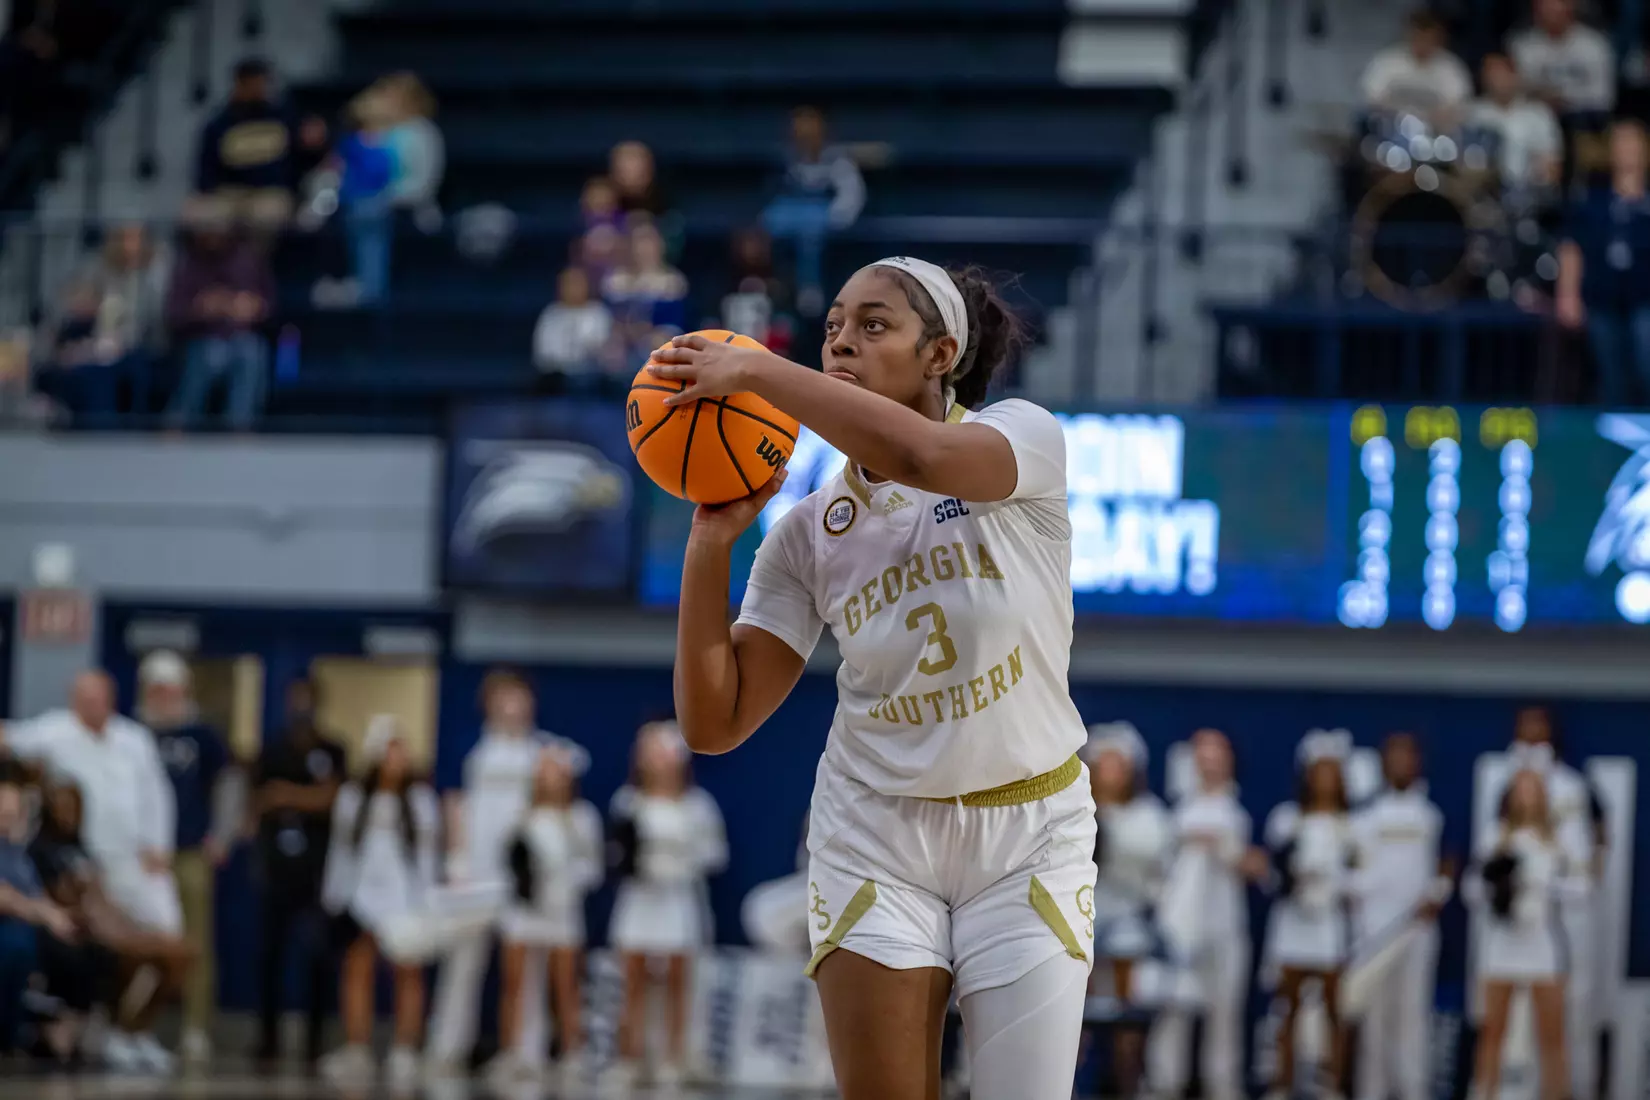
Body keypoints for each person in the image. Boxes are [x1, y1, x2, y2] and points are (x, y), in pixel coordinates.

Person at [652, 253, 1096, 1100]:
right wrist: (711, 543)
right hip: (875, 834)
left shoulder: (1021, 438)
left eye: (873, 325)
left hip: (1029, 833)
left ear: (940, 357)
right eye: (832, 330)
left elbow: (925, 458)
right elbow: (715, 725)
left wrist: (755, 368)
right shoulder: (808, 530)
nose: (841, 343)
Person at [0, 670, 185, 1070]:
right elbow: (9, 738)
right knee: (118, 951)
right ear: (73, 700)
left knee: (173, 948)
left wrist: (159, 844)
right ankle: (111, 1031)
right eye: (85, 698)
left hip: (136, 862)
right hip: (85, 865)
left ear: (112, 697)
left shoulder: (134, 738)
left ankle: (135, 1031)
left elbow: (157, 793)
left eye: (99, 698)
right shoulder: (54, 731)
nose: (92, 706)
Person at [427, 669, 581, 1074]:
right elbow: (454, 804)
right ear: (489, 702)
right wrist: (455, 859)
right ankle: (447, 1048)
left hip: (523, 877)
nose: (513, 706)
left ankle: (525, 1053)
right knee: (464, 962)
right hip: (475, 871)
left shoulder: (545, 750)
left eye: (520, 697)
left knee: (525, 968)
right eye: (504, 697)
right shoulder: (470, 746)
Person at [29, 778, 193, 1074]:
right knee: (136, 955)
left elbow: (101, 896)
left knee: (182, 954)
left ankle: (135, 1031)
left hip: (111, 924)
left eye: (74, 807)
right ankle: (117, 1032)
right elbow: (65, 900)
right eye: (61, 806)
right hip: (81, 931)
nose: (67, 813)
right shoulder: (42, 850)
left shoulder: (82, 848)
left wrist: (126, 924)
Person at [604, 721, 727, 1090]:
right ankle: (630, 1057)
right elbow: (616, 851)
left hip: (678, 900)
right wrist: (637, 865)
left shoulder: (698, 806)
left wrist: (680, 865)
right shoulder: (627, 801)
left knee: (678, 979)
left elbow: (715, 854)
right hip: (639, 898)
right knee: (633, 979)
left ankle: (675, 1057)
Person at [318, 717, 437, 1087]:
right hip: (360, 896)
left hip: (404, 897)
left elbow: (428, 856)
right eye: (389, 749)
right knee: (357, 970)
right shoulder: (353, 799)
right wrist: (335, 896)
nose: (396, 757)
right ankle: (357, 1048)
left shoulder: (420, 801)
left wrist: (427, 900)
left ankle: (404, 1050)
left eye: (401, 748)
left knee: (407, 972)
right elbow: (340, 851)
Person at [1149, 729, 1268, 1100]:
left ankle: (1224, 1087)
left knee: (1225, 1013)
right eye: (1203, 752)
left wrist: (1230, 851)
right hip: (1180, 930)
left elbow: (1260, 866)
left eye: (1217, 752)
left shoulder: (1242, 809)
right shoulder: (1177, 810)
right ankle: (1163, 1084)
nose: (1210, 760)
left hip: (1226, 926)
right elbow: (1160, 871)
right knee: (1172, 1011)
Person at [136, 649, 239, 1065]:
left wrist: (222, 837)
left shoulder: (203, 736)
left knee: (196, 943)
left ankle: (196, 1028)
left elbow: (229, 786)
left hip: (190, 850)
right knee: (141, 941)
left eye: (171, 688)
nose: (165, 697)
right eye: (157, 689)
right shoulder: (133, 734)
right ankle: (135, 1026)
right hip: (143, 858)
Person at [1500, 704, 1607, 1100]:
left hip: (1569, 910)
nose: (1533, 732)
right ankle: (1519, 1090)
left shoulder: (1575, 785)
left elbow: (1598, 835)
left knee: (1574, 1008)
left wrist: (1576, 880)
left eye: (1539, 725)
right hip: (1522, 916)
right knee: (1518, 1013)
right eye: (1525, 725)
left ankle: (1572, 1089)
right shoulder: (1506, 781)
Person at [250, 678, 347, 1068]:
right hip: (276, 868)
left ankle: (315, 1041)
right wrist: (305, 797)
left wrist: (289, 796)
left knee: (318, 957)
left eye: (308, 699)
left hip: (317, 871)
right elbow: (259, 798)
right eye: (295, 699)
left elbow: (334, 798)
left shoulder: (332, 749)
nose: (301, 706)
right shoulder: (272, 749)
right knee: (269, 957)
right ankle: (268, 1039)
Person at [1350, 732, 1450, 1100]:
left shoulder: (1431, 815)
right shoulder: (1364, 818)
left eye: (1409, 756)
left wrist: (1438, 893)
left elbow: (1445, 867)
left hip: (1417, 933)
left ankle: (1413, 1090)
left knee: (1412, 1017)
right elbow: (1353, 873)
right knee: (1374, 1021)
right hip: (1373, 934)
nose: (1402, 763)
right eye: (1395, 755)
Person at [496, 742, 602, 1086]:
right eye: (544, 770)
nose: (550, 777)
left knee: (566, 983)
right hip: (524, 908)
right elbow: (507, 857)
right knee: (514, 982)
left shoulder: (582, 817)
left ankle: (572, 1053)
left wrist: (566, 885)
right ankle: (514, 1054)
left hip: (563, 909)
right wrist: (524, 882)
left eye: (556, 770)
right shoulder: (520, 812)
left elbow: (593, 867)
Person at [1469, 769, 1575, 1100]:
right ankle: (1486, 1093)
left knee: (1552, 1035)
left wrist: (1545, 884)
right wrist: (1498, 883)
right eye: (1520, 789)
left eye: (1533, 789)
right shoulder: (1495, 836)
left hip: (1542, 942)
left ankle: (1555, 1094)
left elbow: (1582, 888)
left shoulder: (1558, 838)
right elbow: (1470, 890)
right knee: (1493, 1031)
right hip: (1503, 943)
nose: (1526, 796)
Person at [1262, 739, 1357, 1100]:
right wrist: (1297, 875)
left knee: (1334, 1009)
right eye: (1319, 773)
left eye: (1332, 773)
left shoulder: (1350, 824)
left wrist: (1335, 884)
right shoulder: (1287, 819)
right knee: (1288, 1007)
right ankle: (1282, 1083)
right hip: (1292, 922)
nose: (1325, 781)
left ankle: (1331, 1083)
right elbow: (1274, 872)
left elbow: (1360, 874)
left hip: (1329, 925)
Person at [1081, 723, 1170, 1099]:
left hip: (1127, 924)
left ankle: (1128, 1086)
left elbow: (1152, 868)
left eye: (1117, 764)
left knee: (1127, 1017)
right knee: (1073, 1013)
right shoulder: (1074, 805)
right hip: (1076, 918)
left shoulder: (1150, 816)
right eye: (1102, 763)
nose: (1109, 771)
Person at [1558, 117, 1650, 406]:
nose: (1627, 150)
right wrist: (1568, 294)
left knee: (1645, 363)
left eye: (1633, 143)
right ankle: (1613, 444)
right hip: (1602, 298)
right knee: (1610, 377)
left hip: (1645, 299)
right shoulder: (1591, 201)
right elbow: (1572, 248)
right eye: (1620, 143)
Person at [163, 208, 274, 431]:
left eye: (218, 230)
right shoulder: (189, 265)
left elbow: (269, 304)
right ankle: (180, 421)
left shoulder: (248, 261)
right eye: (207, 231)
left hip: (241, 335)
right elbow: (173, 314)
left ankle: (240, 426)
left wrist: (255, 307)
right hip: (201, 337)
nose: (213, 236)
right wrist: (201, 309)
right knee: (212, 354)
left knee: (251, 352)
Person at [0, 760, 78, 1056]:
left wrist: (55, 914)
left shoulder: (16, 851)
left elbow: (33, 890)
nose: (7, 815)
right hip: (10, 924)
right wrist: (46, 914)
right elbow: (5, 896)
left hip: (21, 924)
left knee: (75, 947)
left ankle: (33, 1030)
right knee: (17, 945)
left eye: (12, 810)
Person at [762, 106, 866, 316]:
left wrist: (834, 219)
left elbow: (851, 196)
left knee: (810, 233)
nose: (805, 138)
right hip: (795, 214)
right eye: (800, 133)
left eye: (810, 133)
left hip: (823, 217)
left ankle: (810, 287)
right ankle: (770, 282)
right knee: (766, 226)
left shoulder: (838, 161)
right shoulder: (790, 161)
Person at [194, 57, 309, 229]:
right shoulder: (220, 123)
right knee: (204, 216)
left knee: (267, 215)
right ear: (239, 83)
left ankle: (255, 258)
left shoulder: (284, 118)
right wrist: (208, 190)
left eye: (261, 83)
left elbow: (300, 159)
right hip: (229, 192)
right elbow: (206, 168)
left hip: (269, 193)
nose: (258, 88)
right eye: (252, 83)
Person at [1469, 53, 1563, 197]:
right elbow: (1466, 164)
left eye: (1502, 74)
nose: (1497, 82)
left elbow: (1552, 166)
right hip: (1484, 194)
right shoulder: (1475, 114)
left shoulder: (1538, 114)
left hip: (1530, 194)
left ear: (1515, 76)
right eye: (1491, 75)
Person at [1360, 11, 1474, 127]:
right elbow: (1371, 99)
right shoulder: (1386, 61)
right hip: (1391, 129)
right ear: (1409, 35)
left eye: (1429, 38)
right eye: (1419, 36)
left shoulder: (1451, 67)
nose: (1423, 42)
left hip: (1435, 134)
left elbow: (1459, 107)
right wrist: (1402, 114)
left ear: (1439, 39)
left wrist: (1429, 118)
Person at [602, 217, 689, 367]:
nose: (644, 248)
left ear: (660, 245)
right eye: (639, 242)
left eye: (649, 241)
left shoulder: (673, 281)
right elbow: (610, 318)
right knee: (612, 349)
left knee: (659, 343)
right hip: (623, 337)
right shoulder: (616, 280)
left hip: (659, 335)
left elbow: (675, 324)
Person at [1508, 0, 1616, 115]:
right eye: (1545, 6)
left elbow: (1604, 97)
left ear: (1570, 8)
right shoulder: (1522, 46)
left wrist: (1563, 98)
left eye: (1557, 5)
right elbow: (1517, 94)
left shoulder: (1595, 44)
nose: (1551, 12)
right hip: (1536, 119)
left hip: (1585, 119)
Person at [532, 265, 615, 390]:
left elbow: (606, 351)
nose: (573, 289)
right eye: (569, 284)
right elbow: (543, 355)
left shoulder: (598, 313)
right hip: (558, 380)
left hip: (593, 379)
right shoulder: (551, 314)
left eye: (578, 284)